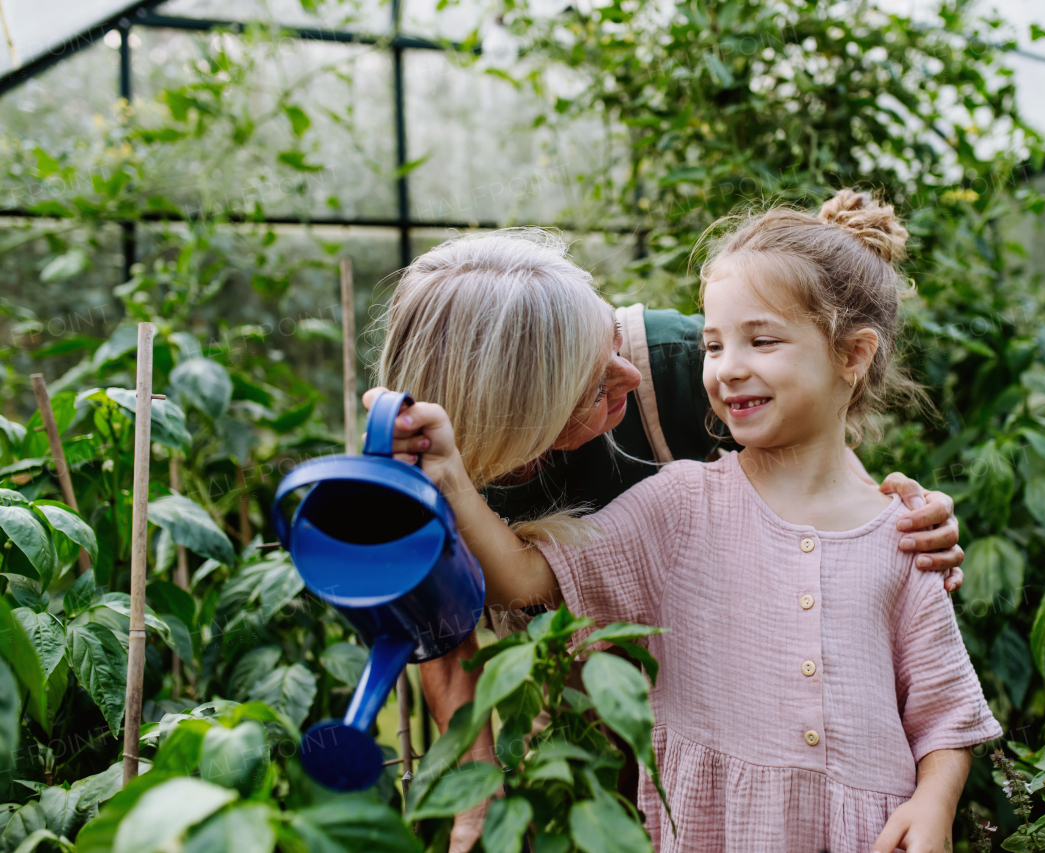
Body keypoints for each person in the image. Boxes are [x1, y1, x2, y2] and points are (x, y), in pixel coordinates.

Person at [398, 191, 1001, 852]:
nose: (727, 364)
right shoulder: (675, 502)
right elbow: (513, 588)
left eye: (757, 340)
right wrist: (449, 474)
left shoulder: (695, 370)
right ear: (523, 415)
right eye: (595, 381)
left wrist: (900, 515)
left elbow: (944, 705)